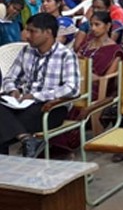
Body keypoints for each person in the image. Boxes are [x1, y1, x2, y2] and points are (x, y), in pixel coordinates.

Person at [0, 13, 81, 157]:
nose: (27, 35)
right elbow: (10, 77)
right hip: (23, 104)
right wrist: (13, 90)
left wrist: (35, 96)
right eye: (27, 30)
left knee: (5, 125)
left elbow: (72, 88)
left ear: (48, 33)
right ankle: (26, 139)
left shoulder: (66, 55)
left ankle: (11, 161)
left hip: (51, 107)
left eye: (33, 31)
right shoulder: (26, 51)